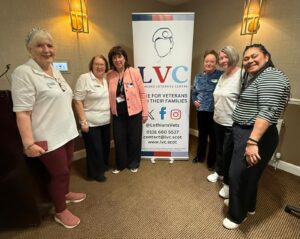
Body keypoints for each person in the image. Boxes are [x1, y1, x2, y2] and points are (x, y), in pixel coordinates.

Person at [11, 28, 86, 229]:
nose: (46, 49)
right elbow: (22, 112)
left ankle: (65, 193)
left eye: (50, 45)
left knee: (66, 168)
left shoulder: (54, 70)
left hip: (67, 132)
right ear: (29, 49)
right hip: (47, 136)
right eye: (40, 45)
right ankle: (60, 211)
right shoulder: (23, 73)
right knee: (59, 173)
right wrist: (28, 143)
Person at [223, 44, 290, 229]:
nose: (249, 60)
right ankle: (248, 206)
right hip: (246, 131)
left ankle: (237, 216)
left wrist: (252, 142)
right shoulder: (256, 77)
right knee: (249, 175)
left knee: (238, 176)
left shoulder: (272, 76)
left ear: (267, 57)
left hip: (254, 134)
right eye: (246, 58)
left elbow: (267, 111)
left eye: (254, 56)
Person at [207, 46, 241, 200]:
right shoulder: (223, 76)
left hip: (230, 123)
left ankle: (227, 184)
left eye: (225, 57)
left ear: (233, 56)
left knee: (228, 155)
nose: (222, 61)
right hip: (218, 120)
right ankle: (219, 172)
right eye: (221, 58)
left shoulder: (241, 75)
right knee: (219, 150)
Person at [107, 46, 148, 174]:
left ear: (124, 58)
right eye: (114, 57)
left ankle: (134, 162)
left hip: (134, 112)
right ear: (112, 60)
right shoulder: (109, 75)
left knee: (134, 139)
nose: (117, 60)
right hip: (118, 114)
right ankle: (120, 164)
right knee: (119, 139)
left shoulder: (134, 72)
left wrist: (145, 112)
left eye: (119, 56)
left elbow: (142, 93)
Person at [73, 55, 111, 182]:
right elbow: (77, 100)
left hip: (106, 120)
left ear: (106, 66)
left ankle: (102, 166)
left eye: (102, 64)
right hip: (91, 122)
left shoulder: (106, 80)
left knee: (104, 147)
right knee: (95, 149)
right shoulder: (84, 78)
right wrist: (83, 121)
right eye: (97, 64)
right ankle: (94, 173)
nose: (99, 67)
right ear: (92, 65)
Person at [191, 50, 223, 169]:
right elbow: (194, 92)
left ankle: (211, 162)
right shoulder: (198, 77)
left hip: (214, 112)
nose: (209, 63)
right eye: (207, 61)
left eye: (212, 61)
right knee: (202, 135)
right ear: (204, 62)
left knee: (213, 138)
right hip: (201, 111)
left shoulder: (221, 75)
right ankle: (200, 156)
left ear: (216, 63)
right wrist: (194, 101)